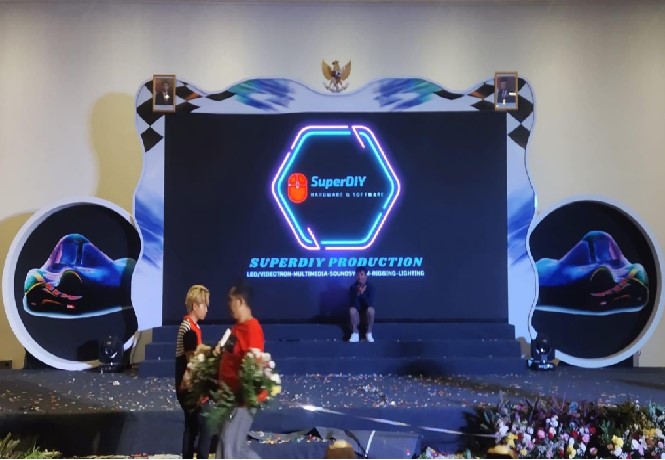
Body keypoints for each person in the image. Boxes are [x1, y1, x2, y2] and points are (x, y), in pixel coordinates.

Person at [217, 280, 264, 459]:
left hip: (241, 399)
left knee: (229, 443)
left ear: (240, 301)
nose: (228, 304)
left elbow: (254, 366)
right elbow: (229, 355)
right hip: (230, 396)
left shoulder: (252, 329)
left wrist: (244, 396)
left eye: (231, 300)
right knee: (236, 446)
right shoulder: (237, 328)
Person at [175, 284, 214, 459]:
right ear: (195, 306)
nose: (207, 309)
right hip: (190, 389)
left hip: (189, 387)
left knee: (191, 429)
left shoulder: (191, 327)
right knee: (205, 425)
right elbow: (192, 363)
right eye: (204, 305)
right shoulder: (189, 330)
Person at [348, 266, 375, 343]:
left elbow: (369, 303)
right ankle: (355, 333)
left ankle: (369, 333)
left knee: (371, 310)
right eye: (357, 275)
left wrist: (362, 294)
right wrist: (358, 293)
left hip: (366, 316)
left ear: (366, 276)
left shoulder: (370, 287)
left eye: (361, 274)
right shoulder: (352, 288)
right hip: (356, 316)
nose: (359, 277)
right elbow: (353, 304)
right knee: (352, 310)